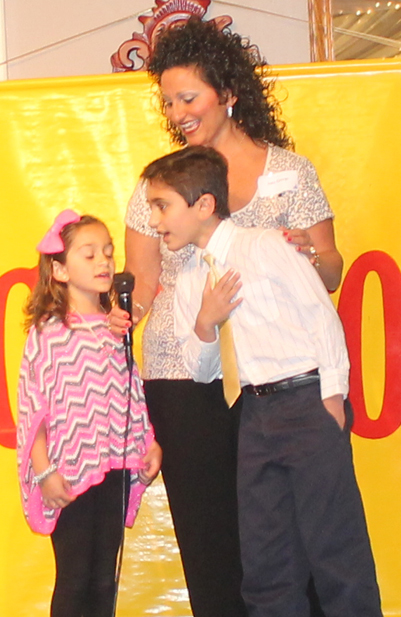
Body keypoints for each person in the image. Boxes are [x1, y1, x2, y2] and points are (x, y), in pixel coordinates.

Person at [112, 17, 343, 617]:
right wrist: (116, 314)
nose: (177, 111)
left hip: (278, 376)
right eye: (167, 100)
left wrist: (308, 257)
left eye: (188, 97)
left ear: (229, 91)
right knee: (212, 541)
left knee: (295, 536)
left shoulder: (291, 173)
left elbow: (332, 271)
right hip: (184, 377)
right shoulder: (159, 183)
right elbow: (142, 286)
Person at [143, 145, 383, 617]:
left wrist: (332, 396)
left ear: (204, 205)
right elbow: (200, 368)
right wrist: (207, 323)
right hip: (252, 415)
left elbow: (321, 317)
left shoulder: (267, 245)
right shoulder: (193, 276)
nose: (154, 220)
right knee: (265, 561)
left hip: (307, 400)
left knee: (336, 550)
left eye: (162, 206)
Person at [16, 209, 161, 617]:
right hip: (69, 473)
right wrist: (44, 472)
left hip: (113, 469)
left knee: (104, 578)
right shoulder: (48, 332)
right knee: (75, 575)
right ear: (59, 270)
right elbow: (34, 407)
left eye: (109, 253)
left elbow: (130, 391)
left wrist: (148, 443)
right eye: (89, 254)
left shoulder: (118, 328)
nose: (104, 262)